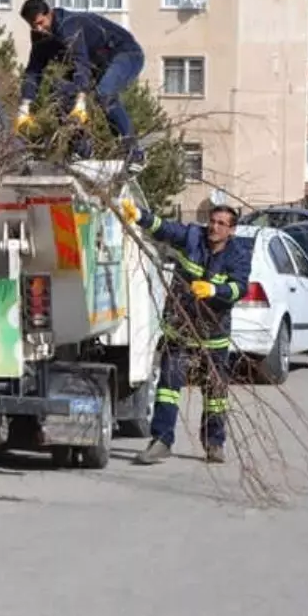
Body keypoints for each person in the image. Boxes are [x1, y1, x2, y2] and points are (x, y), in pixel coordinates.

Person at [118, 199, 253, 464]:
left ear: (232, 230)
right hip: (180, 327)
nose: (214, 227)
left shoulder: (239, 255)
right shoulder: (193, 237)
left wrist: (214, 291)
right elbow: (164, 229)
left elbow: (239, 288)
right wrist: (139, 216)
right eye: (212, 222)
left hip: (213, 332)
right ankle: (161, 441)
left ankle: (214, 443)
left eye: (221, 224)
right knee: (168, 386)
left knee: (215, 393)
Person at [16, 0, 146, 168]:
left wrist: (81, 99)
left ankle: (133, 151)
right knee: (61, 92)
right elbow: (34, 70)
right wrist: (25, 104)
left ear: (50, 14)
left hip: (125, 54)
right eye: (34, 26)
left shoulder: (70, 25)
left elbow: (80, 62)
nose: (39, 29)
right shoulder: (40, 37)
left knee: (104, 94)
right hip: (96, 64)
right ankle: (81, 151)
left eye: (41, 23)